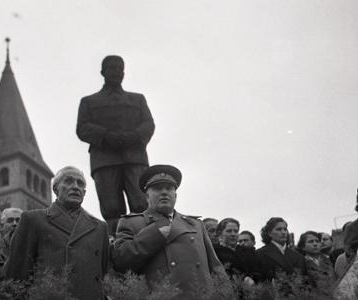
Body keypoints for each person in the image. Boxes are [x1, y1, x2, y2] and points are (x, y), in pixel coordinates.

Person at [112, 165, 230, 299]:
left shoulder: (195, 224)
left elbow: (216, 268)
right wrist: (156, 233)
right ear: (146, 196)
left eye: (169, 188)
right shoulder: (132, 223)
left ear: (175, 195)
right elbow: (121, 263)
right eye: (157, 188)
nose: (164, 192)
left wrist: (227, 294)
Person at [76, 55, 155, 235]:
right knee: (111, 208)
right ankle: (116, 244)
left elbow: (148, 124)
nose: (116, 72)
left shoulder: (137, 99)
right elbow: (82, 128)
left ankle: (146, 241)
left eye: (120, 68)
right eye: (112, 68)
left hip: (135, 158)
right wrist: (105, 136)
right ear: (103, 72)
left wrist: (134, 136)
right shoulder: (89, 102)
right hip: (105, 160)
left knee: (141, 203)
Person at [5, 166, 109, 300]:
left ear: (84, 192)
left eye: (80, 183)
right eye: (69, 181)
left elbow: (104, 274)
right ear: (55, 189)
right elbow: (16, 273)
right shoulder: (33, 220)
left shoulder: (100, 228)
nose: (75, 186)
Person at [256, 217, 307, 283]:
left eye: (285, 229)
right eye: (278, 229)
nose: (283, 232)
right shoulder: (260, 254)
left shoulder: (299, 256)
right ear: (269, 233)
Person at [214, 218, 259, 282]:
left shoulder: (248, 252)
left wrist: (252, 277)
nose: (233, 234)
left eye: (236, 231)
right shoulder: (214, 252)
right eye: (229, 231)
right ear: (220, 233)